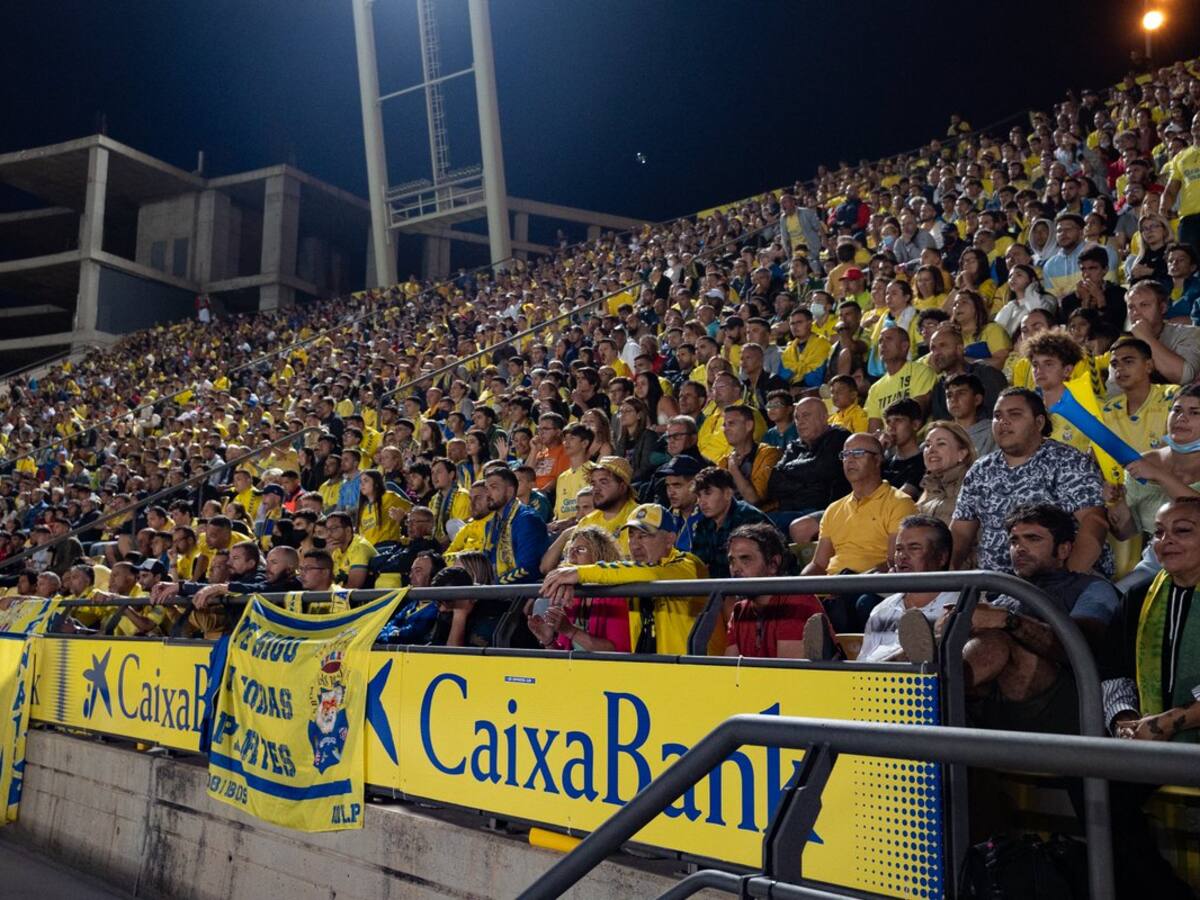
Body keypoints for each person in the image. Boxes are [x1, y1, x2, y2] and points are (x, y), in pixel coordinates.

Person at [940, 504, 1120, 737]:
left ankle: (927, 694)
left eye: (1032, 539)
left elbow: (1082, 646)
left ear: (1064, 549)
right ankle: (887, 692)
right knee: (946, 641)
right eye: (1014, 541)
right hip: (997, 699)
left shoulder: (1092, 588)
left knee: (996, 640)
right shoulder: (1006, 594)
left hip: (1066, 703)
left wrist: (1009, 621)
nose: (1019, 548)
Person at [952, 388, 1112, 577]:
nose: (1003, 421)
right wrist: (945, 583)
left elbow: (1094, 523)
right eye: (997, 416)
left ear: (1039, 422)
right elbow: (960, 534)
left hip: (1061, 585)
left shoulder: (1067, 461)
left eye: (1015, 414)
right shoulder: (980, 470)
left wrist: (1067, 581)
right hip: (994, 586)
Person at [540, 503, 716, 655]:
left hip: (692, 672)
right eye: (631, 535)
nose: (634, 544)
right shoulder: (629, 573)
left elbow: (651, 574)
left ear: (670, 539)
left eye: (644, 535)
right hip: (645, 671)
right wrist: (571, 576)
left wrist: (579, 573)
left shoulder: (689, 564)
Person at [803, 433, 918, 631]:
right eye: (845, 454)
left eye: (857, 453)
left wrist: (853, 582)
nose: (850, 459)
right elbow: (819, 564)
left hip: (873, 587)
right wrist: (796, 587)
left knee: (861, 602)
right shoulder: (834, 509)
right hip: (833, 588)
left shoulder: (899, 503)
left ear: (878, 459)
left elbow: (894, 561)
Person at [857, 515, 960, 663]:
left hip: (924, 682)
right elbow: (864, 661)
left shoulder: (959, 605)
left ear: (941, 557)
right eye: (899, 549)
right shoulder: (882, 609)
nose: (902, 556)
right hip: (870, 682)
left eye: (914, 548)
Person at [724, 523, 823, 659]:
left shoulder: (796, 602)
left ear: (773, 564)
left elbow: (787, 675)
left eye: (745, 559)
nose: (735, 569)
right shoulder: (739, 611)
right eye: (731, 561)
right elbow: (728, 672)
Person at [526, 526, 631, 652]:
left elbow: (618, 651)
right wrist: (548, 641)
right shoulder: (572, 594)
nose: (572, 554)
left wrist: (570, 631)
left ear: (599, 554)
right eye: (571, 549)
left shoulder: (615, 595)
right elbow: (565, 659)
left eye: (581, 549)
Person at [766, 397, 852, 530]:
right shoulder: (794, 446)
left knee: (763, 525)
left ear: (824, 417)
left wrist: (790, 471)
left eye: (806, 415)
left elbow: (822, 469)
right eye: (797, 417)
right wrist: (808, 483)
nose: (800, 422)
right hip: (792, 510)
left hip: (826, 510)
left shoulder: (839, 437)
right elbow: (774, 481)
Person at [690, 466, 774, 579]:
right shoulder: (703, 522)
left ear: (728, 494)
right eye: (699, 496)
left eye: (708, 493)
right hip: (720, 588)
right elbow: (698, 563)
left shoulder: (748, 519)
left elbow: (758, 567)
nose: (702, 502)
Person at [1121, 279, 1200, 388]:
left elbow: (1185, 377)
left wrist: (1145, 337)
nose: (1135, 313)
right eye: (1131, 307)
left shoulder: (1189, 333)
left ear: (1163, 308)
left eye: (1144, 305)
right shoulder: (1124, 343)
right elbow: (1115, 391)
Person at [481, 466, 549, 585]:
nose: (487, 494)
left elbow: (528, 569)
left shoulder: (527, 519)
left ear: (510, 491)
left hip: (521, 594)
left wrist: (494, 585)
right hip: (499, 591)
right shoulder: (492, 523)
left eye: (493, 487)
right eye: (486, 489)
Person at [864, 326, 936, 433]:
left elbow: (917, 415)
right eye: (880, 341)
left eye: (888, 339)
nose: (882, 344)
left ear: (904, 346)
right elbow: (873, 430)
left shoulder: (921, 371)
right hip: (888, 445)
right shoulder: (875, 388)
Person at [916, 421, 977, 527]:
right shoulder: (927, 487)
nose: (931, 450)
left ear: (961, 453)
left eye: (941, 444)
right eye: (927, 445)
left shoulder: (974, 487)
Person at [719, 406, 781, 509]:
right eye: (724, 425)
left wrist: (734, 469)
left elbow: (754, 500)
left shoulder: (769, 454)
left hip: (763, 518)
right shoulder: (724, 461)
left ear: (749, 425)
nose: (726, 429)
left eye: (731, 423)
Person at [943, 372, 997, 457]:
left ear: (977, 400)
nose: (953, 399)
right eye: (949, 395)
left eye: (961, 393)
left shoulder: (992, 432)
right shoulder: (941, 432)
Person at [879, 399, 926, 496]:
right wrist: (878, 451)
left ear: (915, 425)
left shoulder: (924, 462)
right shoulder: (884, 463)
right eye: (888, 422)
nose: (891, 427)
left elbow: (902, 496)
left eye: (898, 420)